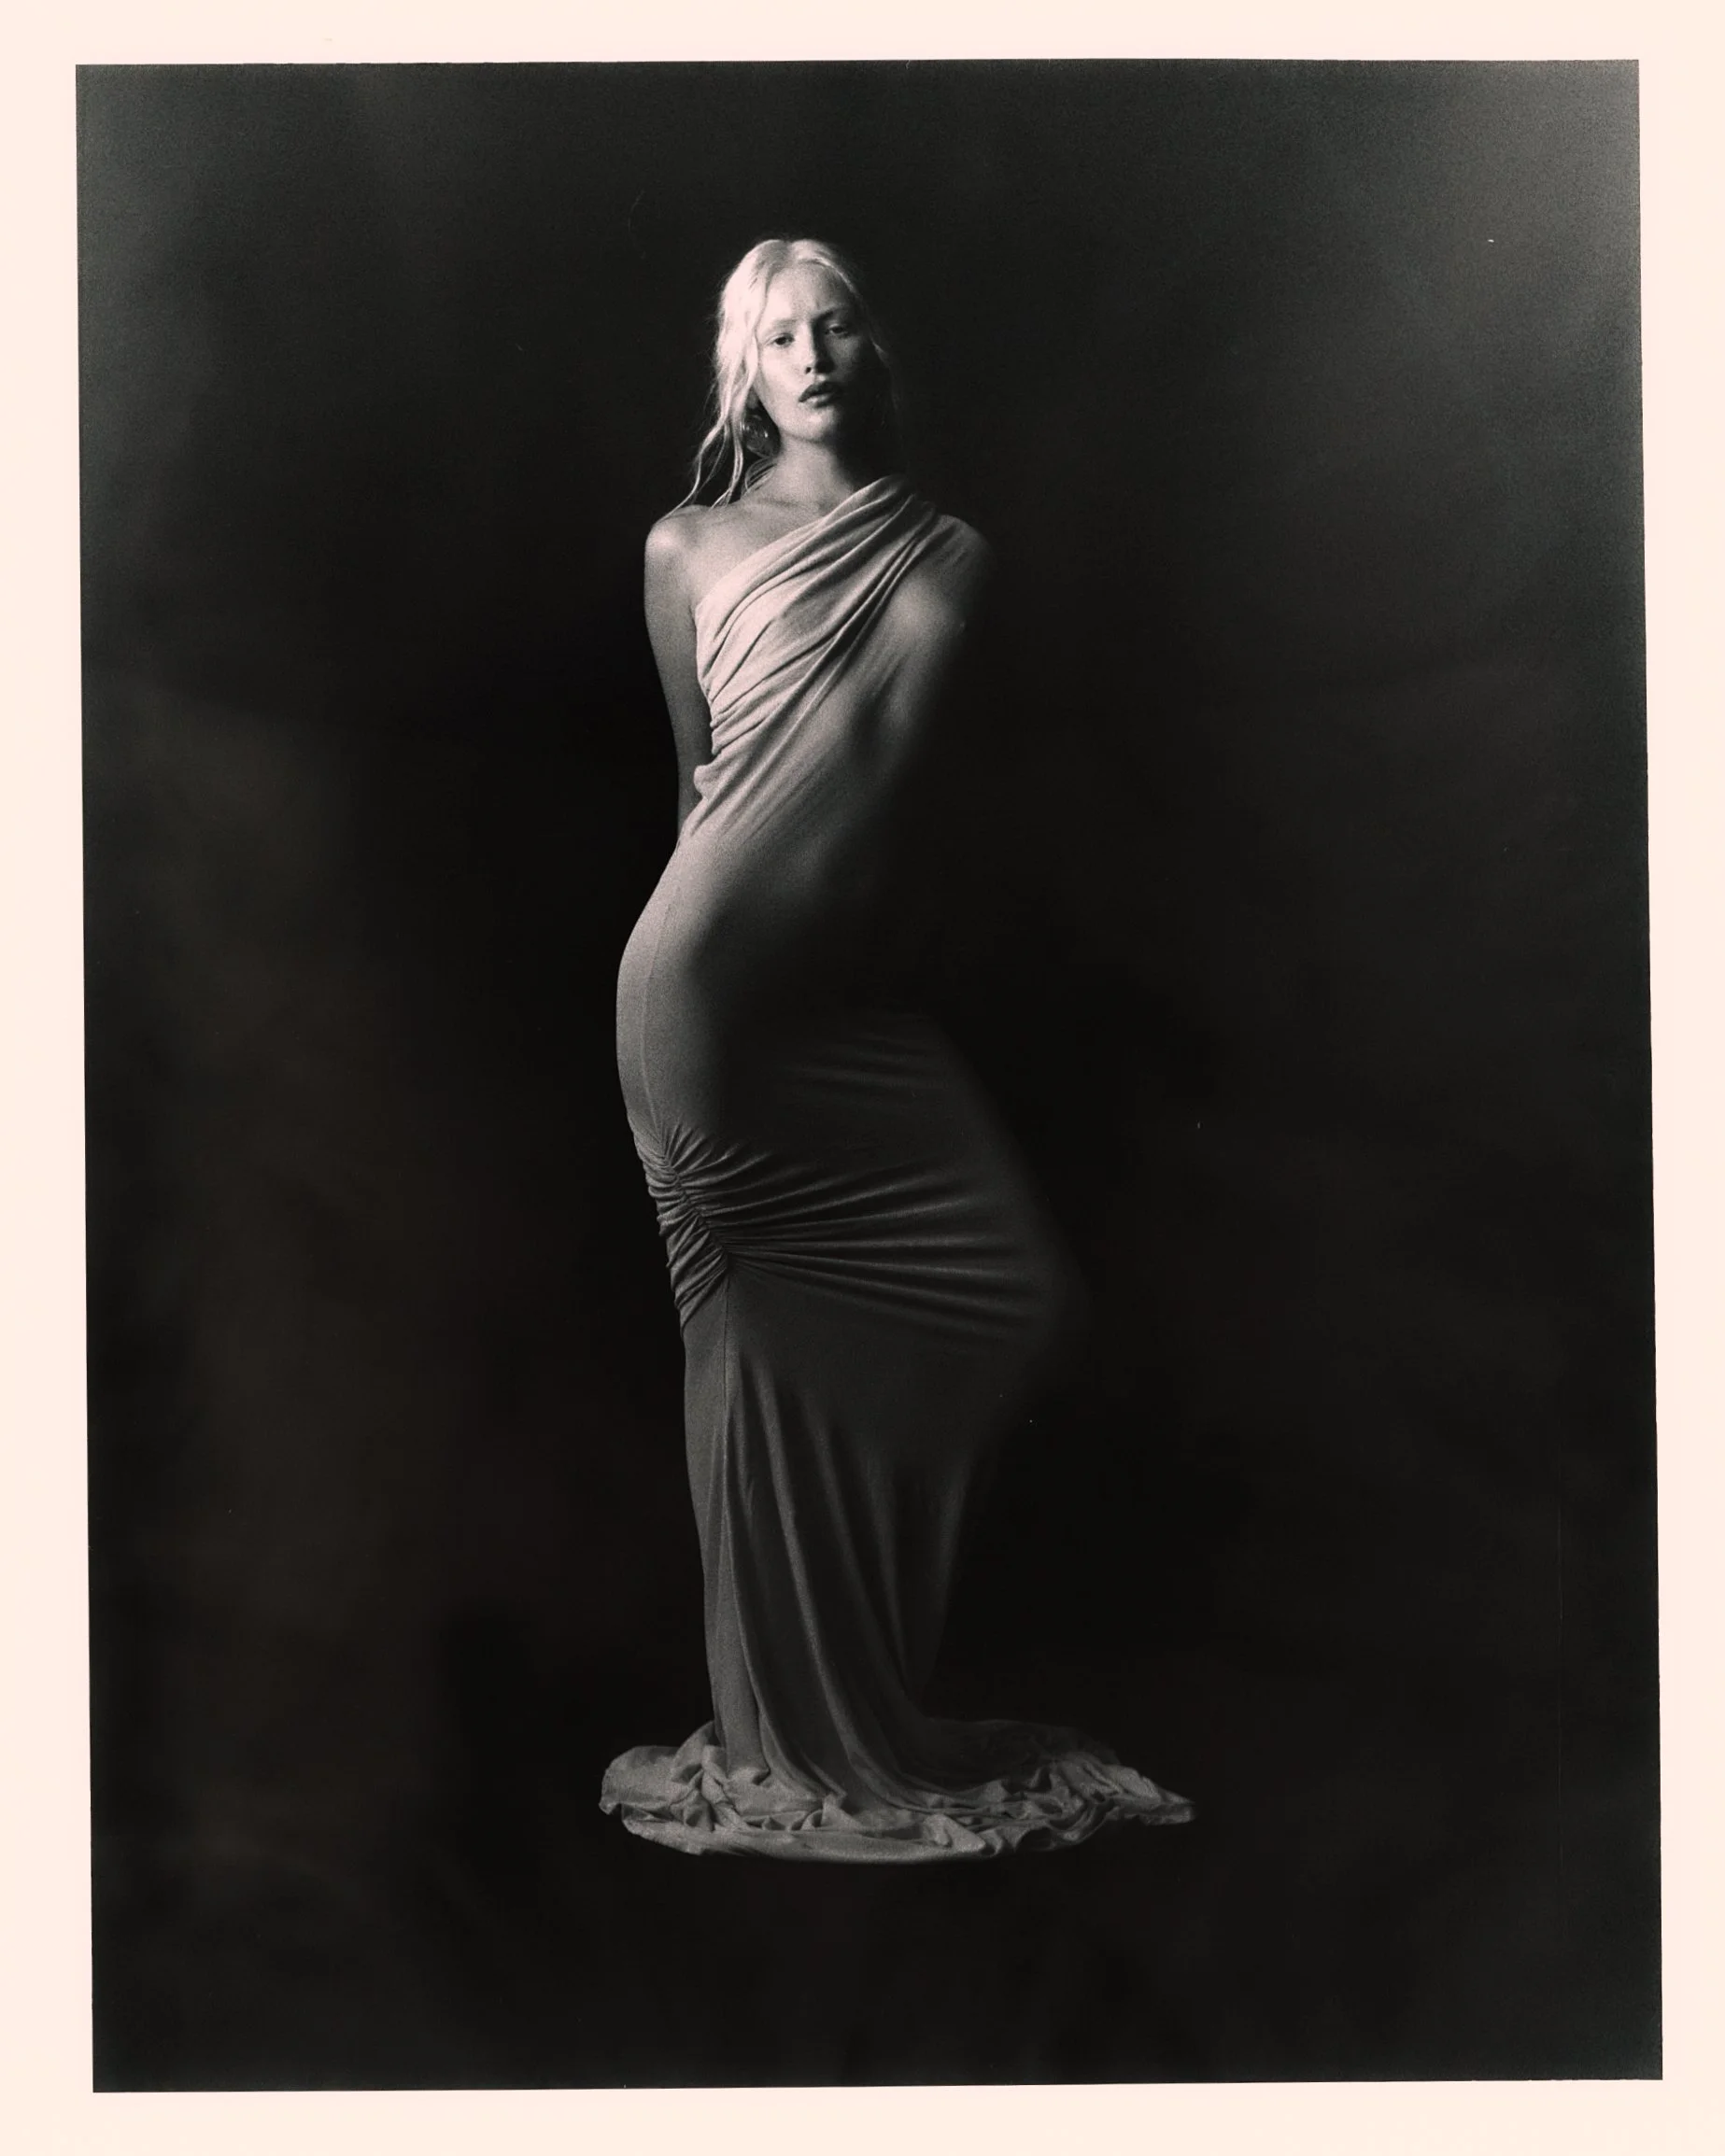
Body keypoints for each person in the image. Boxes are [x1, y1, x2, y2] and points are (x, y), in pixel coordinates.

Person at [602, 236, 1192, 1859]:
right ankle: (789, 1731)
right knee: (742, 1358)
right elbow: (701, 787)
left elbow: (909, 812)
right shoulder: (687, 546)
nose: (809, 354)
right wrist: (734, 965)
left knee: (1001, 1304)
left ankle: (837, 1698)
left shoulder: (952, 556)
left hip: (835, 1005)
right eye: (777, 335)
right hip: (703, 996)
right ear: (744, 369)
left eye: (835, 324)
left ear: (873, 347)